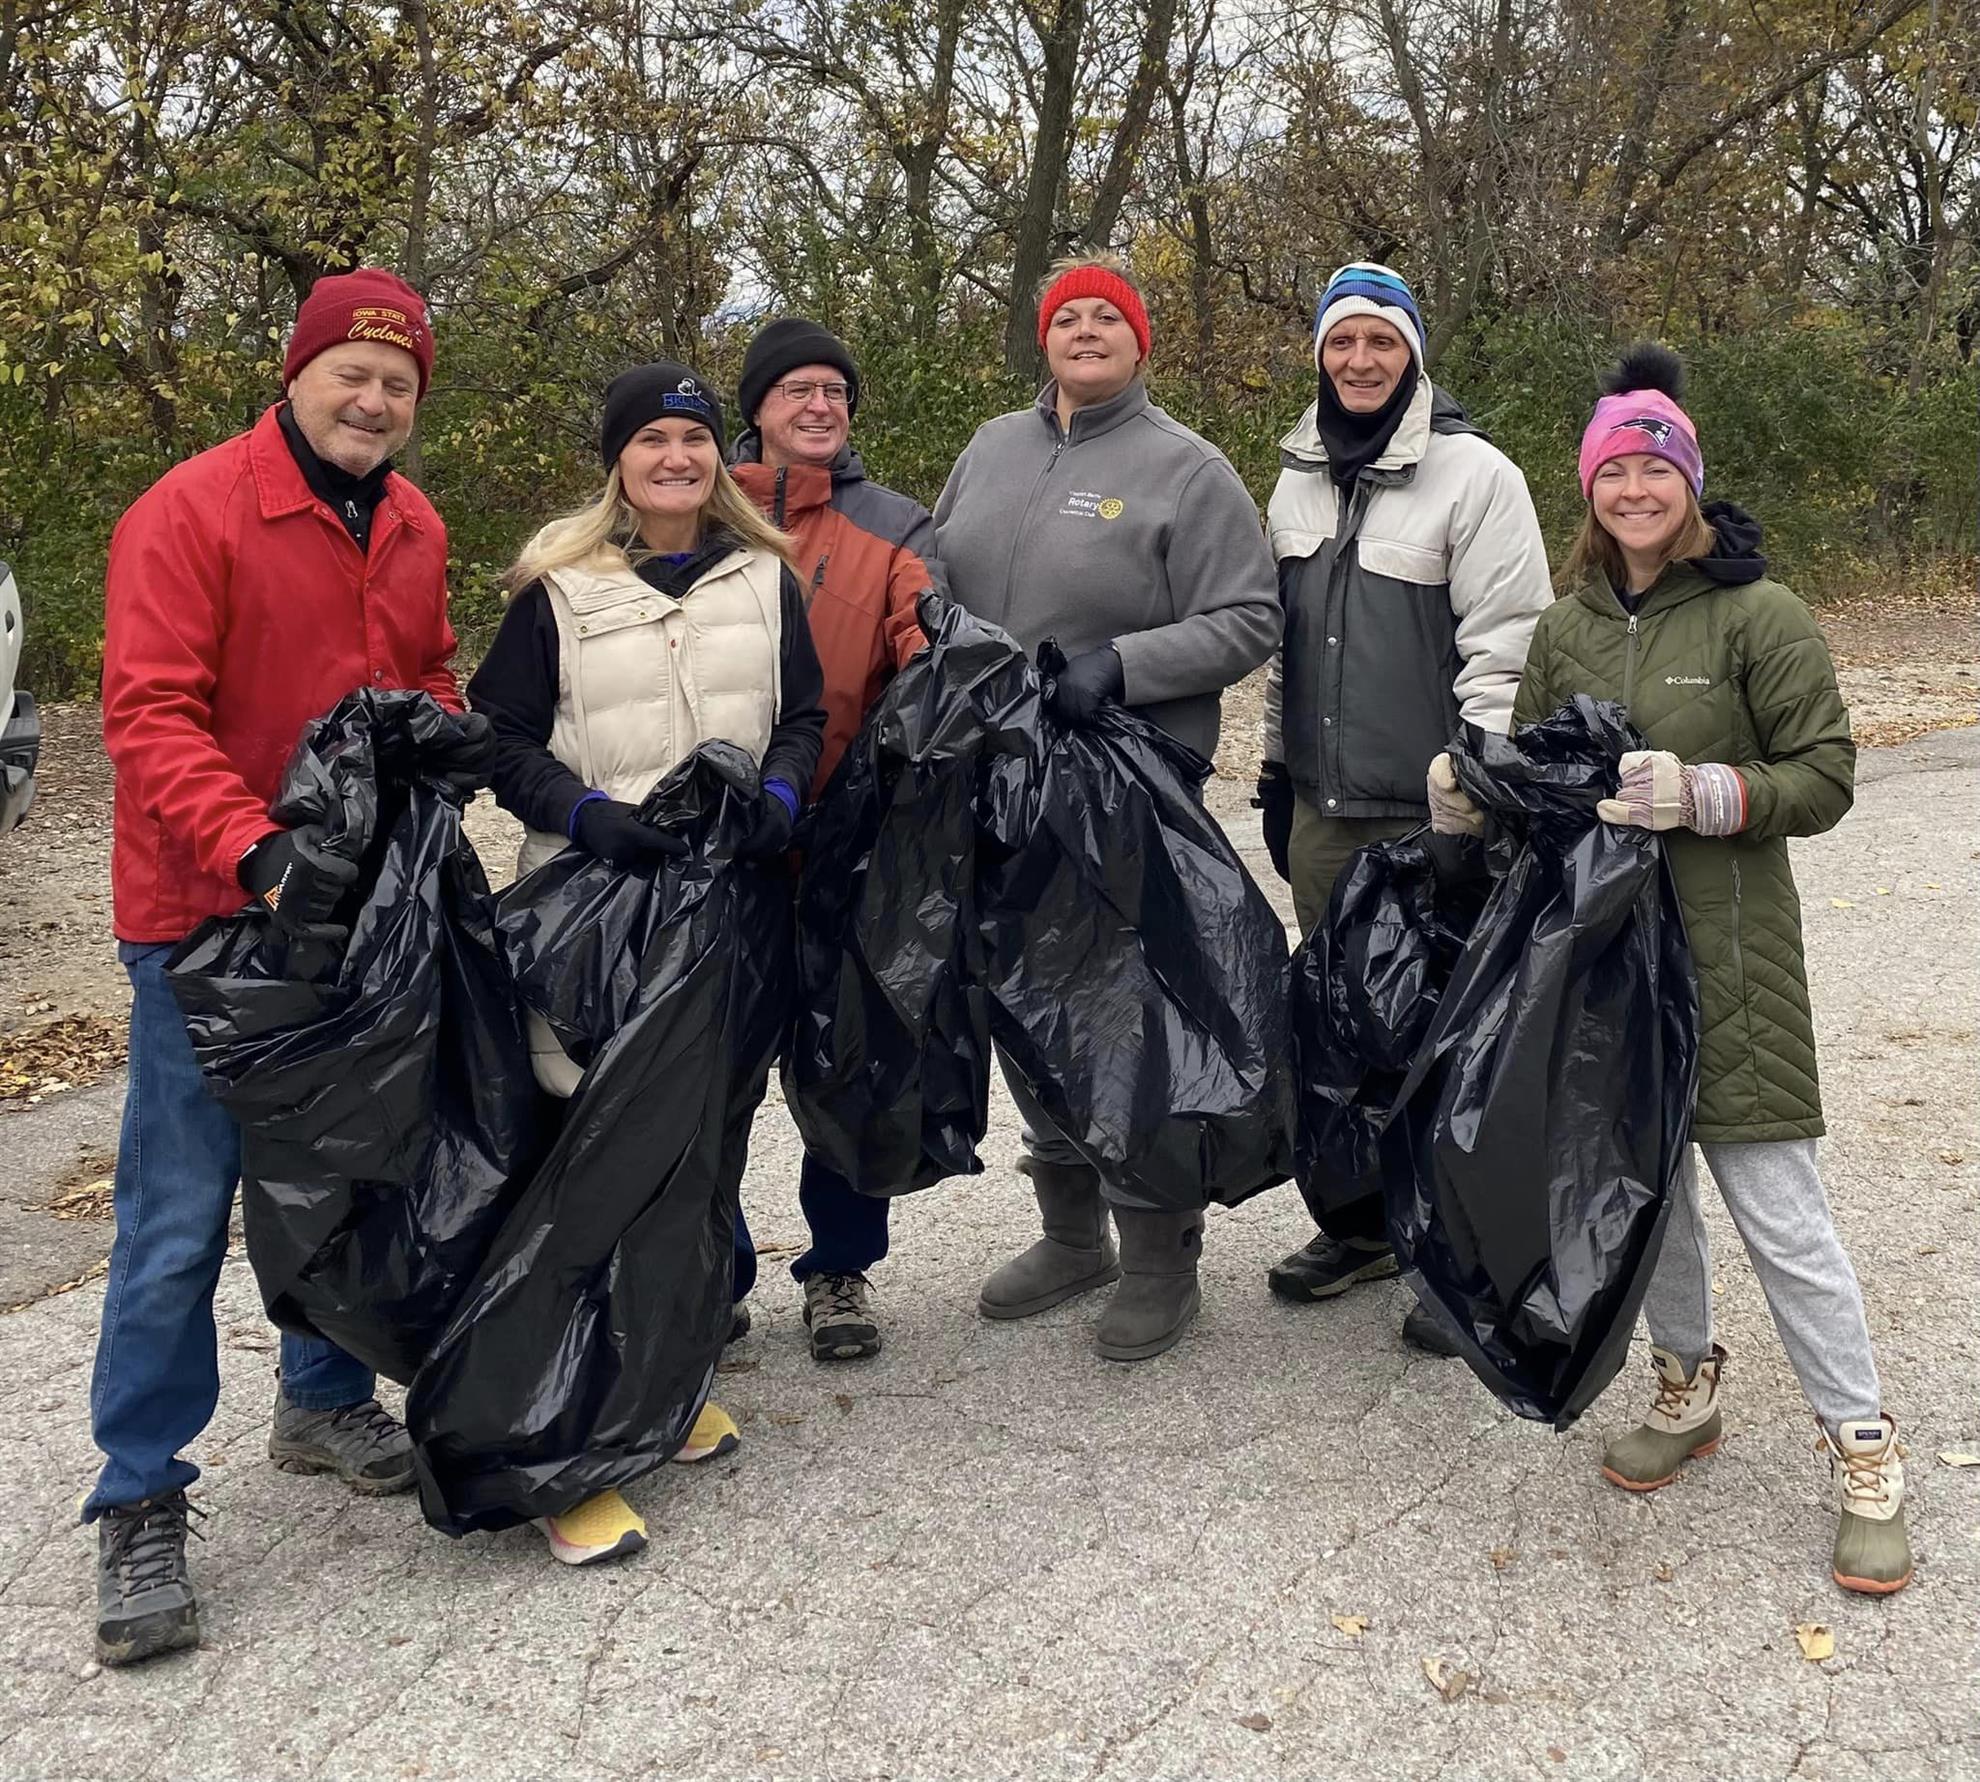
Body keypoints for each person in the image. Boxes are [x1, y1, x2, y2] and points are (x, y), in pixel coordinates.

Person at [1435, 341, 1909, 1595]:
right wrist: (1474, 795)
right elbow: (1542, 776)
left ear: (1687, 483)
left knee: (1779, 1213)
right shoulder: (1567, 627)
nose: (1635, 489)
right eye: (1614, 471)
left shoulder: (1761, 614)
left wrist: (1710, 791)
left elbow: (1828, 775)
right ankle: (1688, 1386)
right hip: (1607, 967)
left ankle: (1863, 1443)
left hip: (1730, 956)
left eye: (1656, 469)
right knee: (1647, 1198)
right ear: (1586, 489)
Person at [93, 268, 492, 1664]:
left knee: (342, 1174)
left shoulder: (418, 521)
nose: (374, 399)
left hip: (354, 917)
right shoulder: (190, 511)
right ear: (297, 368)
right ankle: (138, 1490)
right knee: (179, 1216)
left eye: (399, 383)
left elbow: (423, 670)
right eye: (353, 373)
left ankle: (321, 1398)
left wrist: (453, 731)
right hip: (209, 915)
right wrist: (255, 848)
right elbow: (143, 716)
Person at [466, 361, 826, 1565]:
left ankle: (651, 1394)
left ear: (721, 459)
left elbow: (806, 718)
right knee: (588, 1164)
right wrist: (583, 812)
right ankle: (553, 1457)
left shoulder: (767, 580)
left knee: (697, 1157)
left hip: (723, 909)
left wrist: (780, 789)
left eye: (695, 440)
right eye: (654, 440)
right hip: (594, 912)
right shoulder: (557, 590)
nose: (677, 459)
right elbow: (500, 741)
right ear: (618, 458)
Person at [932, 254, 1282, 1362]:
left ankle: (1157, 1248)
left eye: (1108, 317)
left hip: (1126, 779)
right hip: (1001, 773)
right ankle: (1070, 1231)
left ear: (1140, 343)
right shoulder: (992, 446)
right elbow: (936, 575)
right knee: (1027, 1001)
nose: (1086, 330)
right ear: (1044, 341)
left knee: (1128, 1017)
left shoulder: (1186, 468)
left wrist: (1122, 665)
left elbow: (1248, 615)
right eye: (1066, 317)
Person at [1253, 262, 1551, 1348]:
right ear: (1322, 355)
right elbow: (1282, 649)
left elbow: (1509, 642)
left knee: (1447, 1031)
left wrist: (1479, 782)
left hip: (1438, 808)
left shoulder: (1475, 477)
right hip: (1327, 807)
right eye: (1344, 342)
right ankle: (1368, 1225)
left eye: (1383, 341)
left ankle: (1460, 1253)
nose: (1362, 360)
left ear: (1414, 355)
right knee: (1340, 1029)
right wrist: (1277, 778)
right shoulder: (1292, 479)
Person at [728, 318, 939, 1364]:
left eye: (836, 392)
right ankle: (707, 1270)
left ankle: (839, 1269)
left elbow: (924, 637)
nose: (819, 406)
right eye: (797, 390)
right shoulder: (691, 508)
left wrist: (938, 649)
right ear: (757, 408)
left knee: (844, 1061)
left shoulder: (897, 525)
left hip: (843, 842)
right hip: (719, 848)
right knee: (707, 1068)